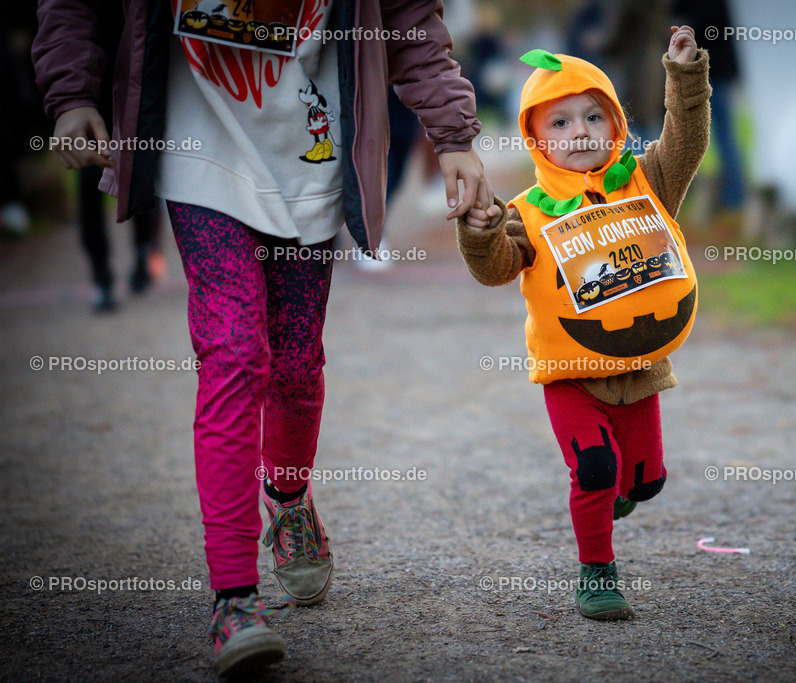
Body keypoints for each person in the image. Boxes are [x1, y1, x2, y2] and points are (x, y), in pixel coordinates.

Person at [34, 0, 492, 676]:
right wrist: (72, 93)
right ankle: (233, 598)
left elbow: (408, 18)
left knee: (297, 367)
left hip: (312, 155)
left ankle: (287, 496)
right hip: (200, 151)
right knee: (233, 351)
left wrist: (453, 135)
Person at [457, 26, 709, 620]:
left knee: (644, 480)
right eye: (561, 124)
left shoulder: (648, 182)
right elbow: (494, 270)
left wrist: (684, 73)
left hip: (638, 368)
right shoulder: (527, 212)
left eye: (594, 117)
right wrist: (482, 230)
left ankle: (620, 490)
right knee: (595, 468)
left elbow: (689, 140)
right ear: (536, 141)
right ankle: (597, 572)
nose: (580, 134)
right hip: (570, 372)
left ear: (616, 125)